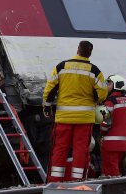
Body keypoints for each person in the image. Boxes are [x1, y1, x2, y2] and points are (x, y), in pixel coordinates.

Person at [43, 41, 107, 182]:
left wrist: (47, 107)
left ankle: (55, 181)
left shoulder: (61, 67)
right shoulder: (94, 71)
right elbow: (102, 93)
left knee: (59, 149)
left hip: (63, 118)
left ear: (77, 50)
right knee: (80, 150)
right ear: (90, 53)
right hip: (84, 119)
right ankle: (77, 181)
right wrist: (94, 99)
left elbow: (50, 89)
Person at [99, 75, 126, 177]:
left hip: (110, 143)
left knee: (110, 172)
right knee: (117, 168)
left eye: (109, 83)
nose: (107, 86)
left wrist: (102, 132)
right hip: (123, 143)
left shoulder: (110, 101)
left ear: (116, 85)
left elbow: (106, 122)